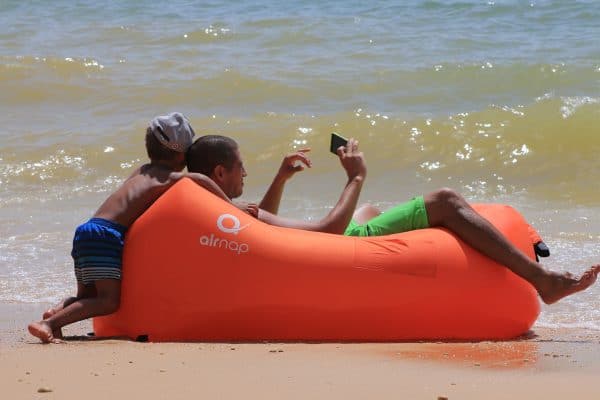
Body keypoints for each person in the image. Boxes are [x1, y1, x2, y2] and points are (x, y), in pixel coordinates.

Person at [186, 134, 600, 305]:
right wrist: (357, 176)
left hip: (346, 233)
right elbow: (330, 234)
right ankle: (540, 280)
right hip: (344, 242)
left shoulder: (222, 212)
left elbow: (261, 218)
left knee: (374, 212)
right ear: (220, 173)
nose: (245, 173)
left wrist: (280, 177)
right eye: (240, 168)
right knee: (445, 200)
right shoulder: (232, 211)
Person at [28, 113, 237, 344]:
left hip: (88, 229)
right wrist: (231, 207)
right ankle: (48, 323)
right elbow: (201, 179)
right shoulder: (170, 178)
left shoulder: (141, 171)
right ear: (181, 154)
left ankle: (55, 314)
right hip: (106, 235)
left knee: (87, 296)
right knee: (108, 301)